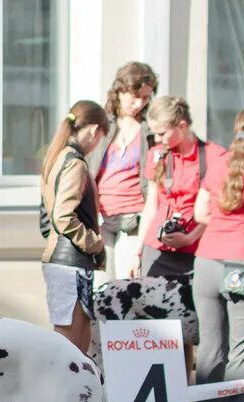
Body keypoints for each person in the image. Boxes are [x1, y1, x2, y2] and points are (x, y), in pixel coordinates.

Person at [192, 107, 244, 402]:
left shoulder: (220, 160)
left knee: (210, 350)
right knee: (242, 350)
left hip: (206, 262)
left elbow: (200, 212)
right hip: (243, 265)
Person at [40, 101, 109, 353]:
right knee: (71, 347)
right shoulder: (75, 163)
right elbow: (62, 216)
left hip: (62, 261)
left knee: (74, 345)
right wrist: (95, 243)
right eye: (101, 136)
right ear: (94, 130)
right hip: (71, 263)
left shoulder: (56, 158)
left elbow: (46, 219)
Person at [129, 96, 223, 279]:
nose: (157, 139)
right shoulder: (156, 155)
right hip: (157, 249)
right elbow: (151, 207)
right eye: (154, 133)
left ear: (182, 126)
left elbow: (217, 210)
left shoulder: (214, 155)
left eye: (162, 133)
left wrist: (190, 238)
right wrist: (137, 253)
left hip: (198, 250)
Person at [87, 62, 158, 281]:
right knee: (100, 286)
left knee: (126, 288)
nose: (139, 103)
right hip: (101, 220)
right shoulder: (101, 125)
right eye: (134, 95)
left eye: (146, 98)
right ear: (119, 91)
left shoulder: (150, 131)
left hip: (133, 221)